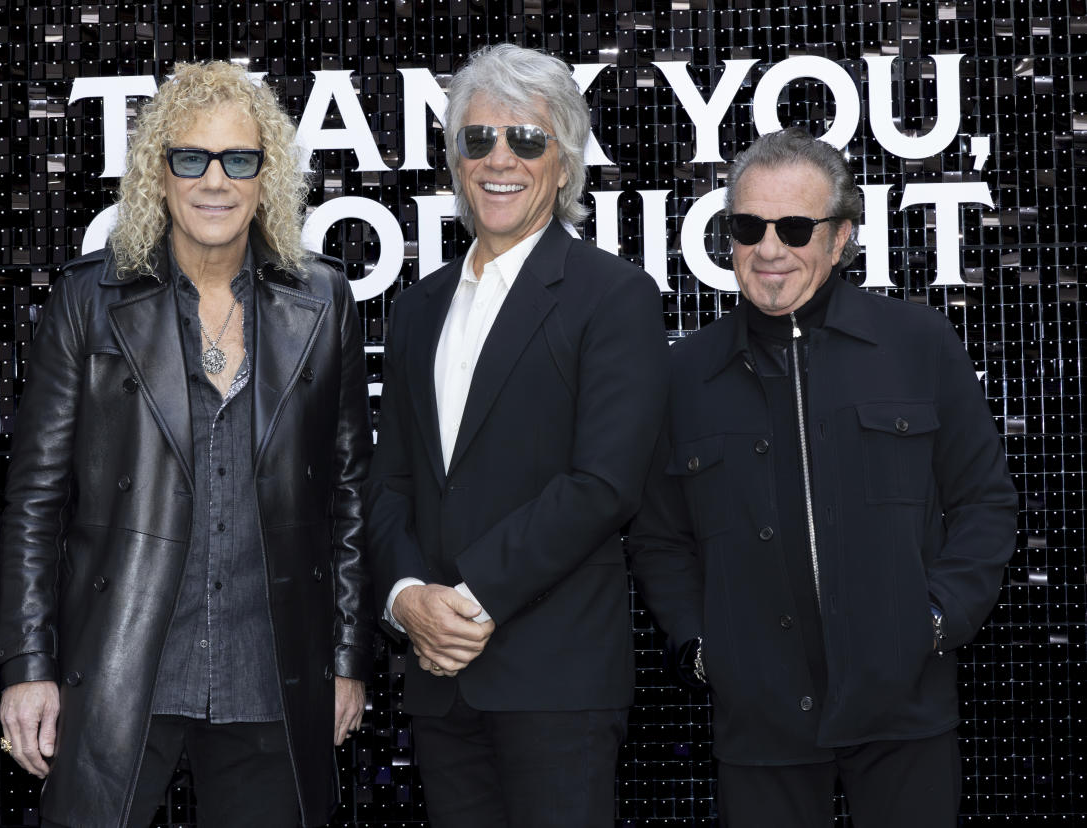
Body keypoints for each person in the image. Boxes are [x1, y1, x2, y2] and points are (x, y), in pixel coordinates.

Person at [0, 60, 374, 828]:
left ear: (264, 176)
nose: (215, 181)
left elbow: (350, 498)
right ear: (157, 175)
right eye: (190, 158)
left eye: (239, 160)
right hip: (123, 662)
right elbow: (36, 500)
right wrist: (28, 667)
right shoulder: (88, 300)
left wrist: (345, 658)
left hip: (270, 671)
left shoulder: (322, 299)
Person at [630, 127, 1018, 827]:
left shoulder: (918, 344)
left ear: (841, 238)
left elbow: (984, 503)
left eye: (796, 227)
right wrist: (702, 650)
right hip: (760, 729)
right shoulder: (684, 374)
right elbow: (659, 537)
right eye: (748, 227)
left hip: (904, 712)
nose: (770, 249)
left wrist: (933, 622)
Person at [363, 44, 667, 828]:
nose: (500, 159)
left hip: (555, 684)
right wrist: (406, 601)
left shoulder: (615, 297)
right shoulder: (417, 309)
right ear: (455, 161)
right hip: (439, 680)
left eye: (526, 139)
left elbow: (603, 483)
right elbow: (390, 482)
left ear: (563, 163)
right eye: (478, 139)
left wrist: (465, 602)